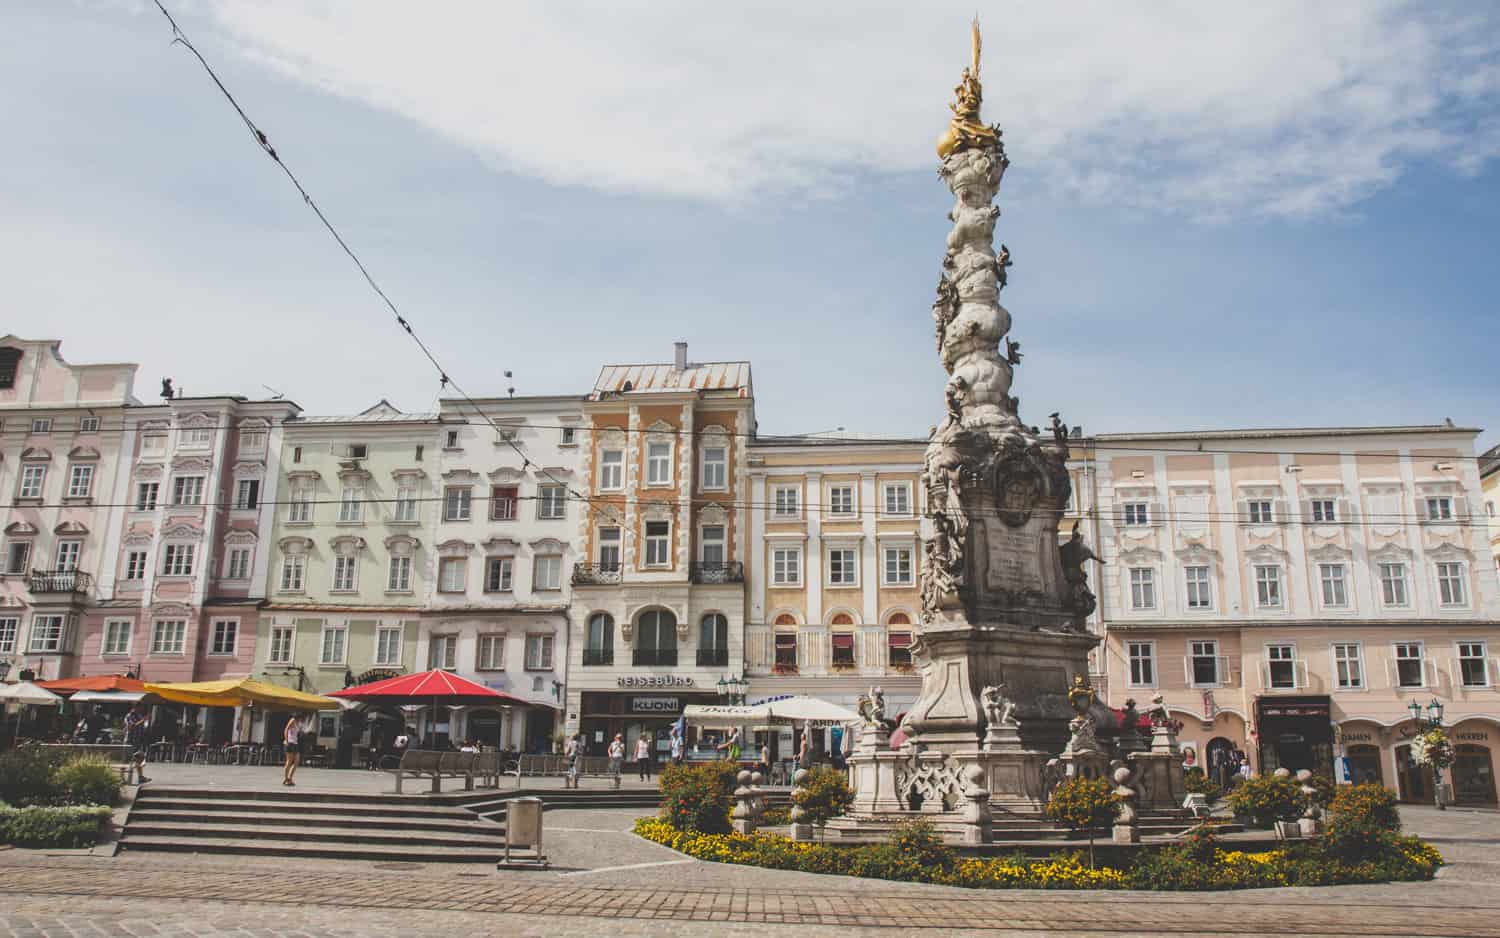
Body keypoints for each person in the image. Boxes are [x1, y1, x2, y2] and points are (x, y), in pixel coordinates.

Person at [124, 704, 150, 784]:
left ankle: (140, 777)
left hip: (137, 740)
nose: (141, 709)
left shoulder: (139, 715)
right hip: (130, 741)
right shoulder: (129, 716)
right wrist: (143, 720)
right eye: (140, 707)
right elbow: (131, 726)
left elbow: (142, 727)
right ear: (135, 708)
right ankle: (122, 777)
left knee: (139, 757)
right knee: (126, 760)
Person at [282, 714, 302, 786]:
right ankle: (286, 778)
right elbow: (286, 729)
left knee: (297, 761)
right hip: (290, 742)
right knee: (289, 761)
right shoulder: (292, 720)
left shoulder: (298, 723)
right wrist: (287, 740)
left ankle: (290, 778)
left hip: (295, 743)